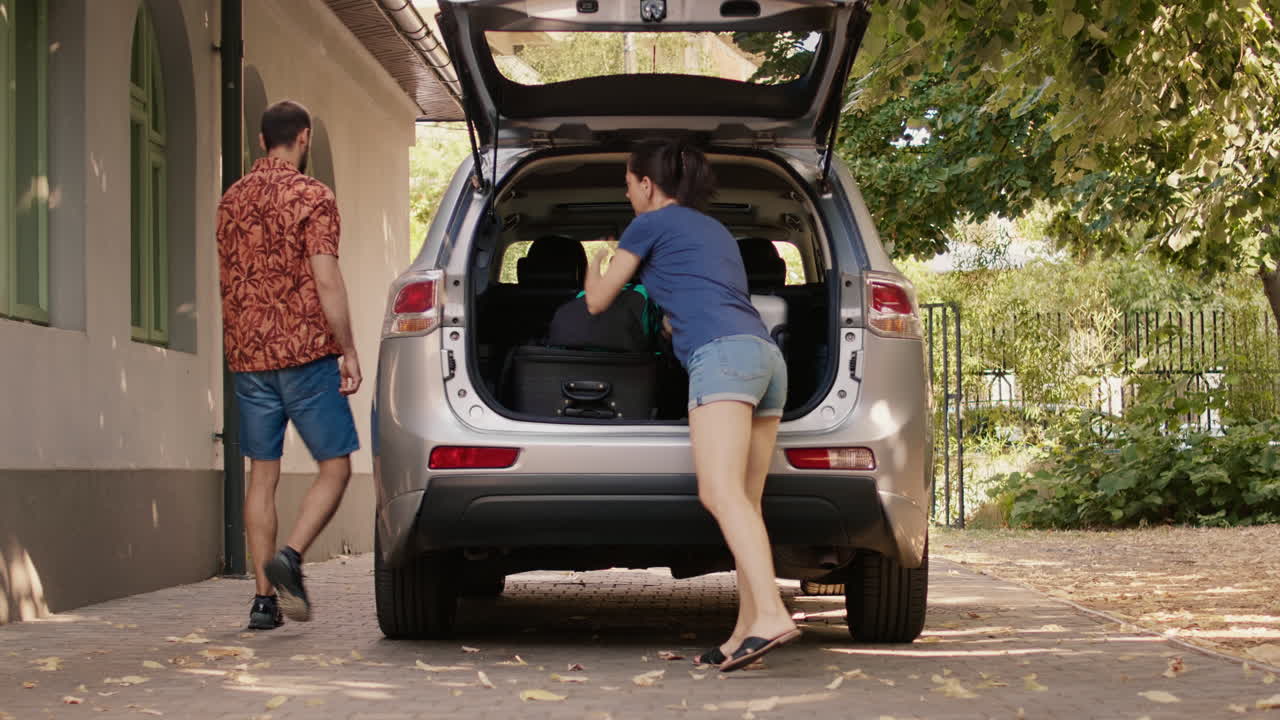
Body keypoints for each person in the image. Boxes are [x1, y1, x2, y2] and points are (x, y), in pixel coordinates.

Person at [583, 139, 799, 672]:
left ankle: (772, 614)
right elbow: (703, 300)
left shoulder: (649, 224)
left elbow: (598, 301)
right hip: (766, 359)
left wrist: (596, 260)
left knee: (719, 493)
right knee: (746, 503)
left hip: (722, 361)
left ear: (647, 185)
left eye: (628, 184)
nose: (628, 193)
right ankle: (745, 631)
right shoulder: (714, 230)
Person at [216, 100, 362, 630]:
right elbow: (325, 278)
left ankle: (262, 602)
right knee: (336, 466)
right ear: (302, 139)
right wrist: (347, 347)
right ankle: (292, 557)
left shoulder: (230, 200)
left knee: (262, 477)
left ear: (261, 141)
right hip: (304, 354)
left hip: (248, 358)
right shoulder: (313, 196)